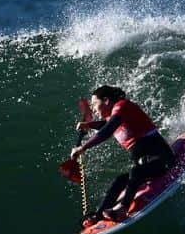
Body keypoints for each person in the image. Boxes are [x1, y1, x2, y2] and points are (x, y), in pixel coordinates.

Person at [70, 85, 175, 225]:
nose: (94, 109)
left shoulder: (122, 106)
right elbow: (105, 124)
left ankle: (122, 209)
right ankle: (99, 214)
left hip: (163, 160)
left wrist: (83, 148)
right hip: (146, 165)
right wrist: (89, 125)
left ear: (106, 100)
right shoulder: (115, 115)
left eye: (95, 104)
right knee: (120, 180)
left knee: (135, 171)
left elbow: (108, 129)